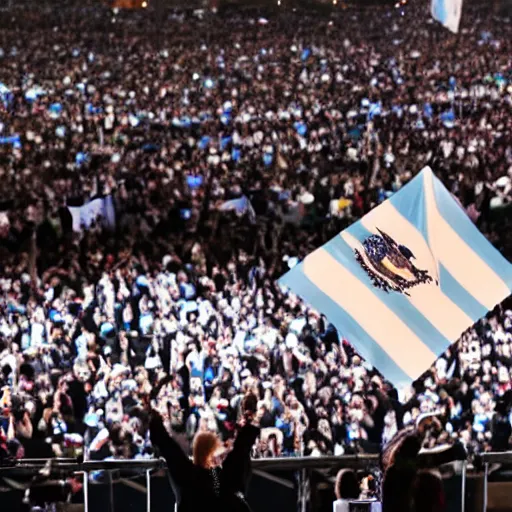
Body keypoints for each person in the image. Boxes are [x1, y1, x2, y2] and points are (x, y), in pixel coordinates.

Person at [149, 393, 260, 512]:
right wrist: (248, 424)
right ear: (209, 454)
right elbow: (239, 452)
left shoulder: (190, 476)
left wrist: (155, 421)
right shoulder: (224, 479)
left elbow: (169, 448)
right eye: (221, 449)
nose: (225, 452)